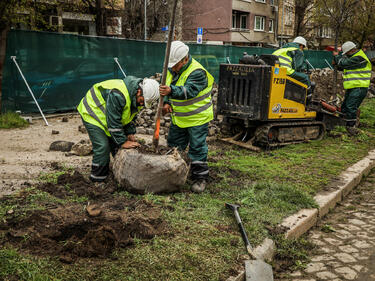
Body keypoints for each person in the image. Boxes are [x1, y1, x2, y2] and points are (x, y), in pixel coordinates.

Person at [77, 76, 160, 182]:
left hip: (108, 117)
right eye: (142, 101)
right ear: (139, 91)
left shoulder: (136, 96)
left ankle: (116, 173)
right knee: (103, 147)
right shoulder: (118, 94)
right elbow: (113, 122)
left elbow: (129, 115)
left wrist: (129, 133)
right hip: (92, 112)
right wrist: (122, 142)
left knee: (116, 145)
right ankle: (97, 180)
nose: (142, 104)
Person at [159, 41, 214, 193]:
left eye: (175, 64)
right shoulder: (171, 70)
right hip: (180, 118)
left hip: (197, 118)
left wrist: (170, 91)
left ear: (185, 59)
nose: (172, 67)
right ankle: (175, 172)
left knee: (197, 148)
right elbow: (167, 88)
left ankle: (199, 177)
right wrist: (166, 102)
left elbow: (187, 92)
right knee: (174, 145)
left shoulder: (197, 72)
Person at [333, 41, 372, 135]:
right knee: (345, 107)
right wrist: (337, 64)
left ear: (351, 50)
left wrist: (336, 57)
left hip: (359, 87)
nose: (346, 55)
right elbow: (344, 66)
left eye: (346, 53)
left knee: (351, 107)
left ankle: (351, 127)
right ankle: (342, 125)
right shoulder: (354, 58)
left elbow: (344, 63)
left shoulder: (360, 58)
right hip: (353, 87)